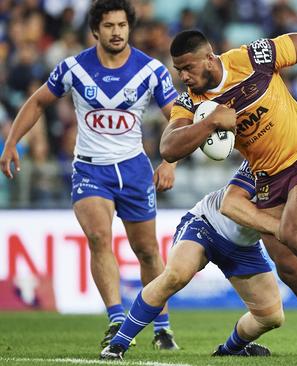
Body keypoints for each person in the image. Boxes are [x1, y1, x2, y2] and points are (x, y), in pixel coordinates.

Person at [159, 29, 297, 360]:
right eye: (178, 71)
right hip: (265, 178)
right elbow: (169, 147)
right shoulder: (192, 100)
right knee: (288, 267)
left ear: (209, 58)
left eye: (188, 67)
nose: (184, 76)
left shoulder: (252, 57)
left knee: (295, 235)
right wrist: (211, 122)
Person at [0, 0, 179, 350]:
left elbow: (178, 117)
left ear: (130, 28)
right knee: (99, 237)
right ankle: (116, 319)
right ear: (95, 29)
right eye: (109, 26)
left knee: (145, 250)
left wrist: (170, 161)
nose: (117, 32)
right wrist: (11, 143)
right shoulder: (73, 68)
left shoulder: (151, 70)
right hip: (90, 168)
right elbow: (37, 102)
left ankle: (162, 326)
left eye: (122, 26)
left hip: (134, 169)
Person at [100, 155, 297, 359]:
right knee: (176, 275)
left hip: (244, 246)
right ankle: (118, 344)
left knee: (271, 316)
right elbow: (230, 206)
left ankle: (229, 351)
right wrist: (280, 229)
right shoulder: (268, 160)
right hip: (206, 225)